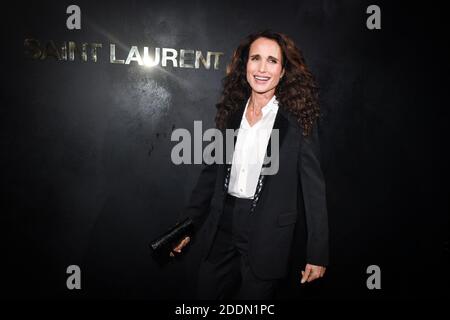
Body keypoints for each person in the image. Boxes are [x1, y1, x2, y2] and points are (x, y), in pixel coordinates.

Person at [171, 29, 329, 300]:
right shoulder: (231, 116)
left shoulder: (298, 122)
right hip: (223, 225)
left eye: (272, 61)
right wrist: (186, 227)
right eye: (255, 58)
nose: (262, 68)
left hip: (268, 235)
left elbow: (314, 191)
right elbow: (209, 178)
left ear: (283, 71)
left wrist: (318, 252)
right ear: (245, 65)